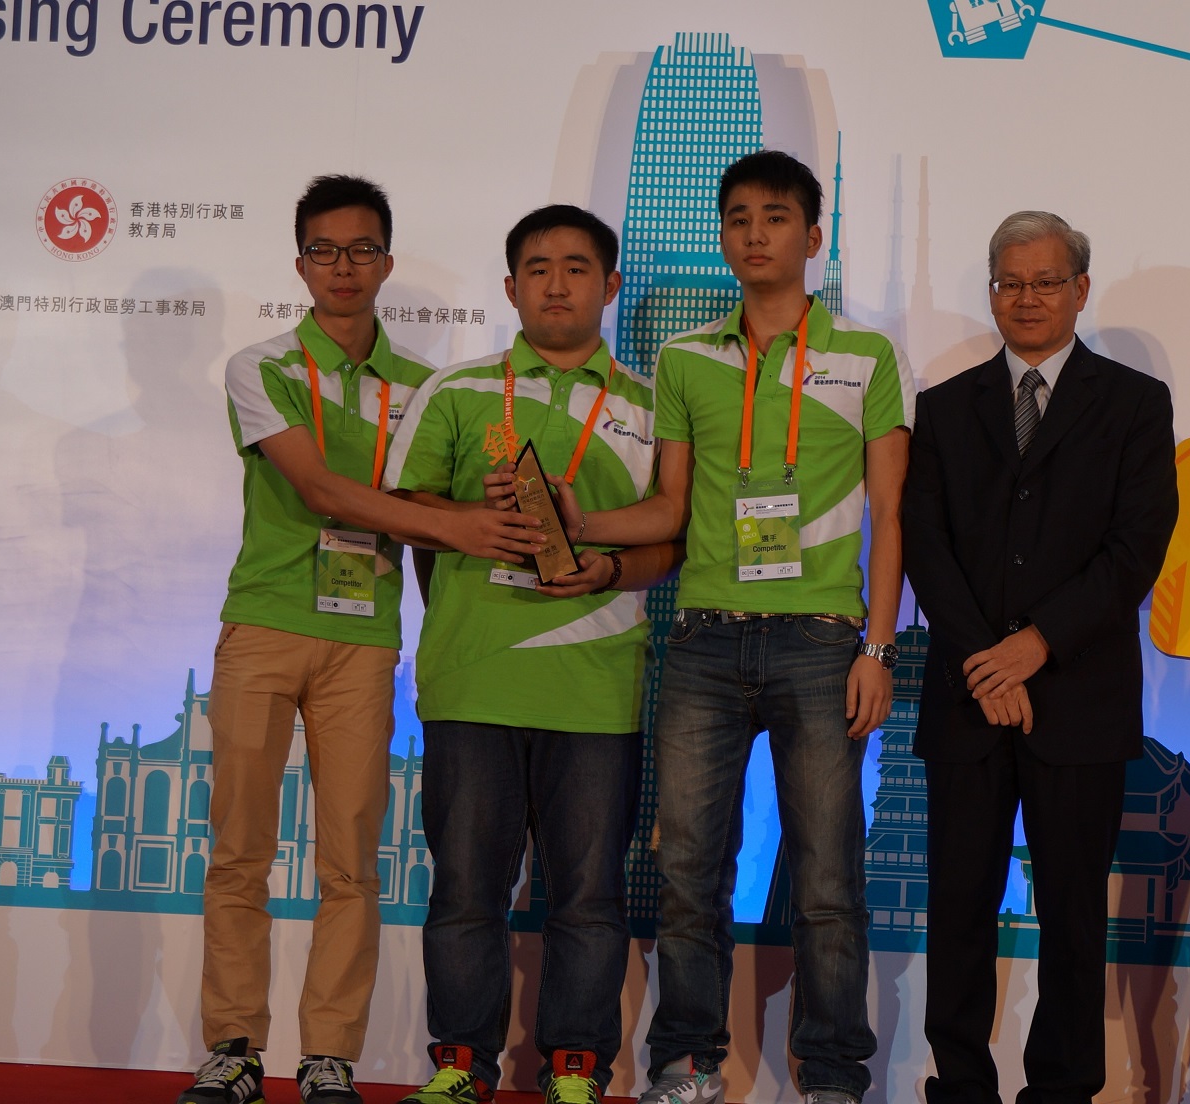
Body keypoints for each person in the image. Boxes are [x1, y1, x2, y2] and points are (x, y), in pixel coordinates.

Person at [563, 149, 913, 1104]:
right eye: (738, 218)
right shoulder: (684, 358)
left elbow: (893, 515)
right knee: (688, 872)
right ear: (722, 235)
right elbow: (670, 507)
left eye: (775, 216)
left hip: (821, 643)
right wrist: (579, 522)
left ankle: (832, 1076)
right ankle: (686, 1064)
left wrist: (878, 648)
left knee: (828, 879)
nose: (755, 234)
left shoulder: (867, 356)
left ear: (813, 233)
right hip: (705, 640)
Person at [185, 175, 544, 1104]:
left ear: (385, 261)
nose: (342, 267)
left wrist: (460, 557)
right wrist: (457, 523)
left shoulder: (425, 389)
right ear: (299, 262)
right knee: (240, 851)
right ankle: (232, 1048)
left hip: (365, 641)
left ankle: (329, 1057)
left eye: (361, 250)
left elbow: (425, 526)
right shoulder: (261, 367)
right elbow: (319, 490)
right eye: (324, 250)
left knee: (351, 858)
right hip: (265, 625)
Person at [381, 205, 682, 1104]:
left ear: (611, 285)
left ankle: (576, 1067)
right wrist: (469, 553)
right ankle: (458, 1064)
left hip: (596, 687)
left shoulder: (650, 406)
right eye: (538, 269)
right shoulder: (459, 390)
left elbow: (670, 545)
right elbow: (410, 515)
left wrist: (606, 568)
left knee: (589, 895)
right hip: (473, 683)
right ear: (511, 287)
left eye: (577, 268)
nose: (557, 284)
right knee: (466, 889)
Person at [901, 210, 1178, 1104]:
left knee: (1072, 915)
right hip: (967, 698)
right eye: (1009, 283)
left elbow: (1136, 548)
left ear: (1080, 290)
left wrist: (1036, 644)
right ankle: (961, 1084)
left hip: (1079, 698)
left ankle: (1061, 1089)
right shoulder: (944, 407)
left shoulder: (1135, 403)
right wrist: (986, 663)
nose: (1027, 298)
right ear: (991, 292)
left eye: (1046, 282)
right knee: (957, 911)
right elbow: (925, 545)